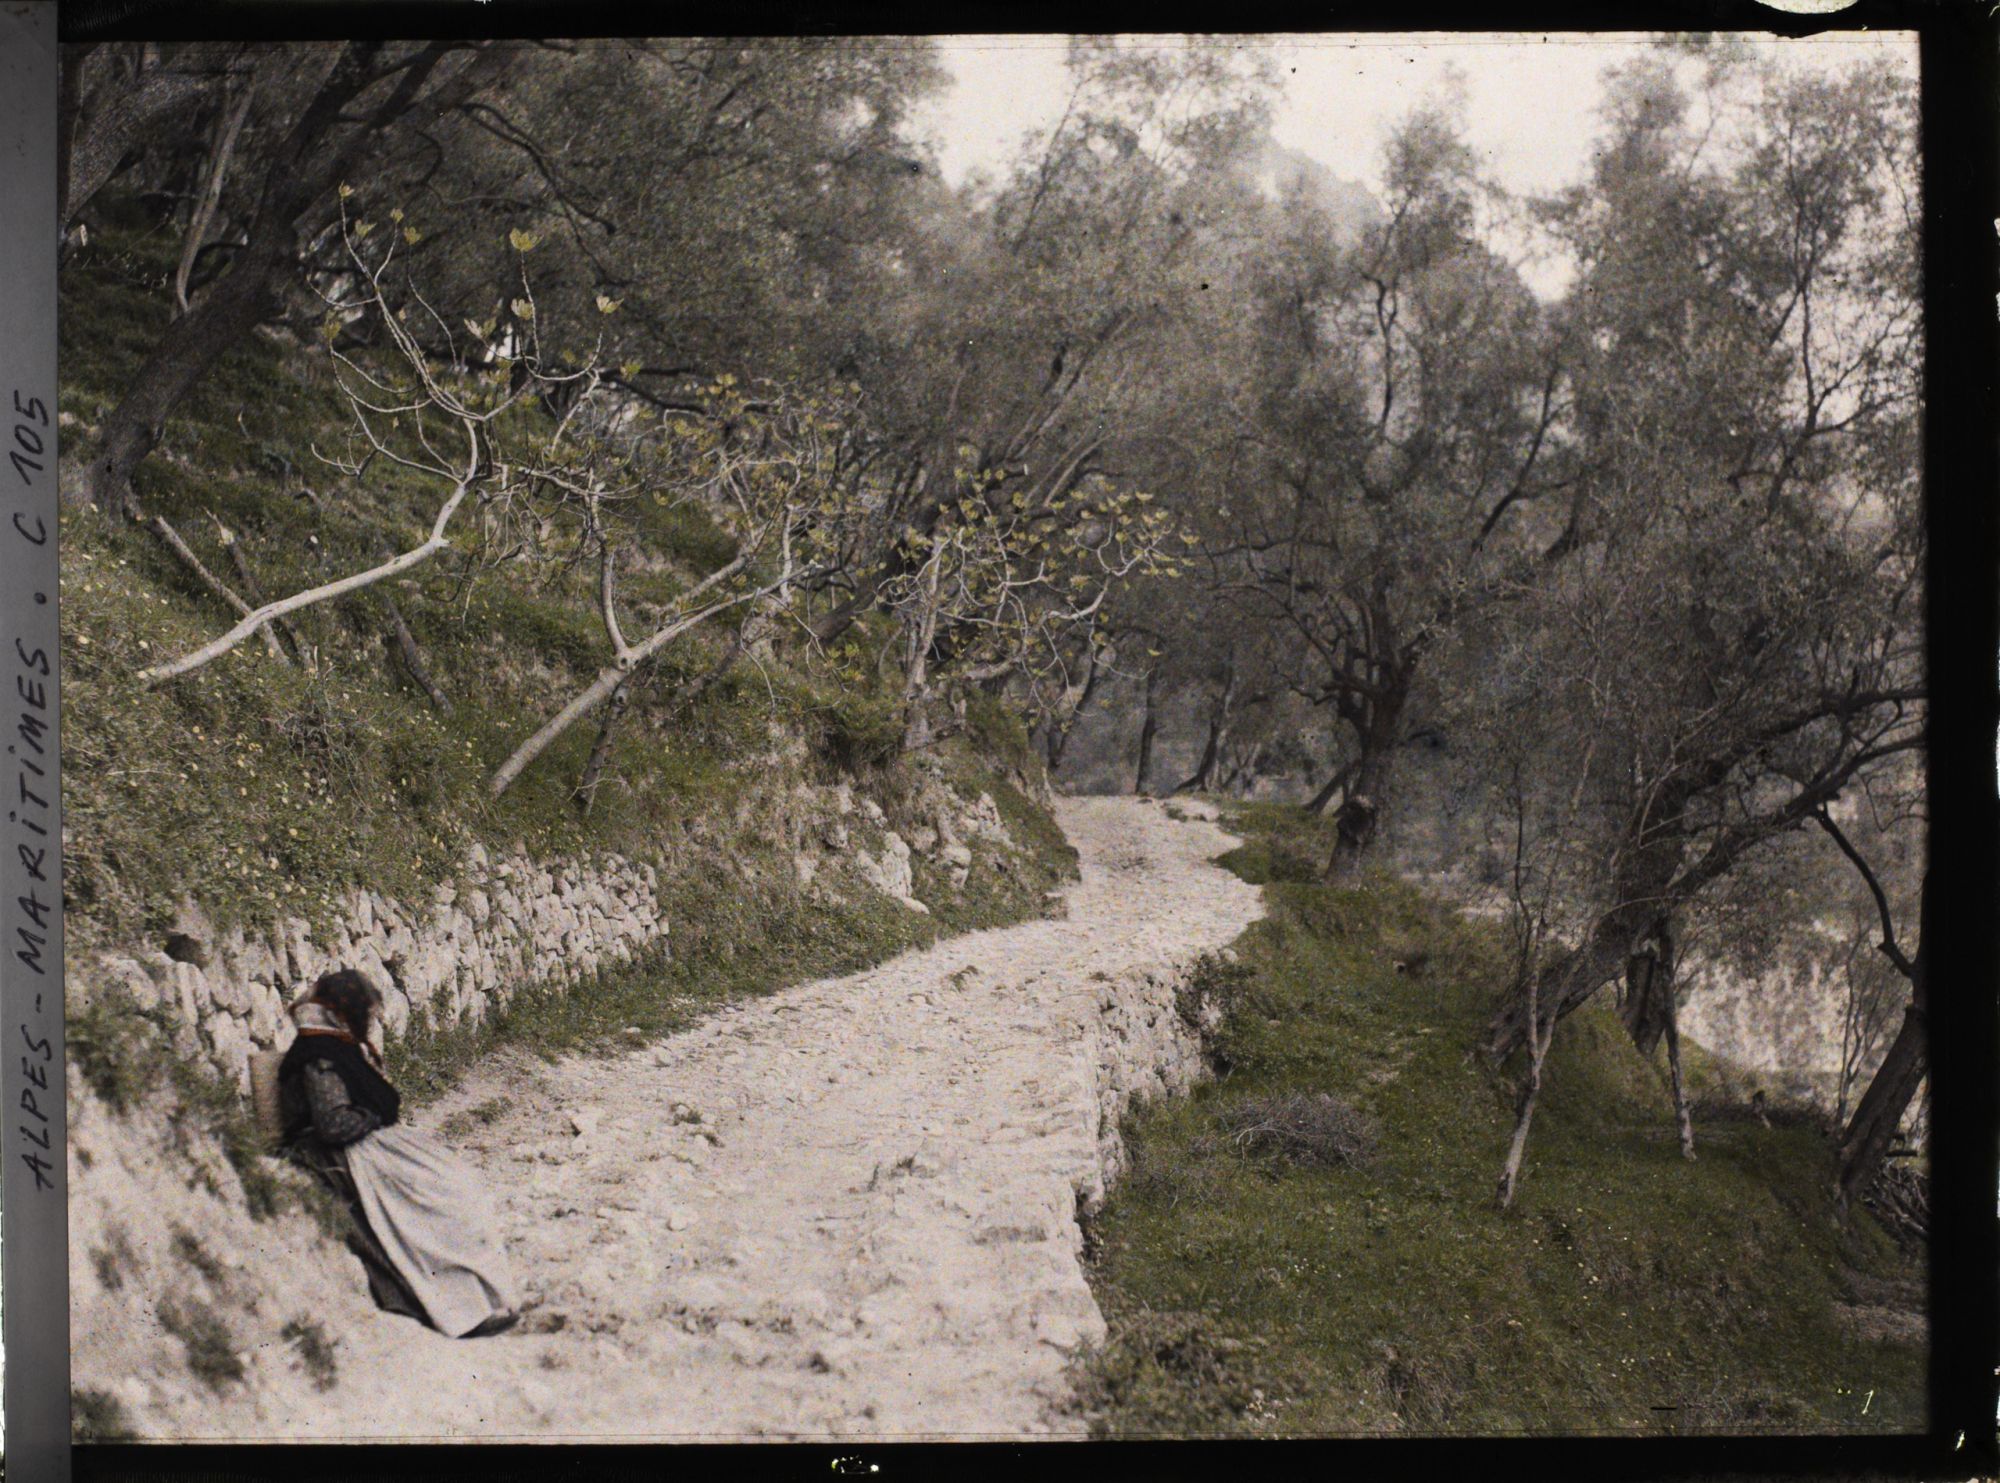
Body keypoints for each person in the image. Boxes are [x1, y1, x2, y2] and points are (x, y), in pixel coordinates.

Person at [277, 968, 519, 1338]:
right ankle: (456, 1310)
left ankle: (477, 1299)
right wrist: (372, 1115)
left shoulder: (335, 1045)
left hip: (365, 1145)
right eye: (367, 1014)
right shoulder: (317, 1057)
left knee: (455, 1185)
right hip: (337, 1155)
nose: (370, 1022)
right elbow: (332, 1125)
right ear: (343, 1013)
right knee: (427, 1204)